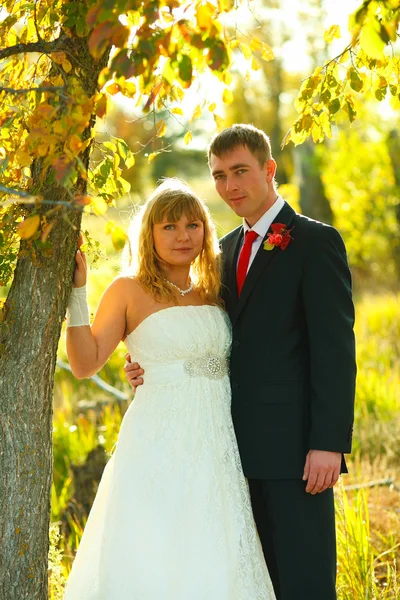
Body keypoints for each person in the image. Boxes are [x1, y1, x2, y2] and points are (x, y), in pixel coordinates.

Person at [125, 124, 357, 600]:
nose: (230, 186)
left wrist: (328, 443)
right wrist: (152, 362)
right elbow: (206, 335)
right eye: (219, 175)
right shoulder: (220, 251)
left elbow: (335, 351)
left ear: (269, 170)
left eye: (240, 171)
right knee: (252, 582)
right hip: (226, 452)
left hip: (297, 454)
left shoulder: (315, 242)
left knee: (305, 581)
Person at [63, 178, 276, 600]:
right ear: (150, 233)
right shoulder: (128, 289)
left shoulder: (215, 293)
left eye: (192, 225)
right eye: (169, 227)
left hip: (217, 445)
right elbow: (86, 364)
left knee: (214, 547)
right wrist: (77, 292)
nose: (183, 236)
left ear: (205, 231)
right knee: (154, 550)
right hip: (157, 444)